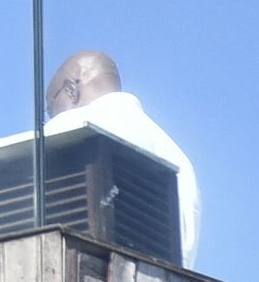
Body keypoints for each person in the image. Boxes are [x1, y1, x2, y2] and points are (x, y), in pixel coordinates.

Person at [44, 50, 200, 268]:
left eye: (50, 109)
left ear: (71, 90)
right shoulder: (177, 156)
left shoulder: (76, 125)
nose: (51, 119)